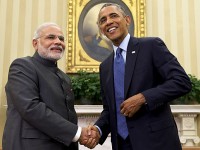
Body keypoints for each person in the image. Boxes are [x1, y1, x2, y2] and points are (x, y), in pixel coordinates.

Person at [88, 3, 192, 150]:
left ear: (127, 20)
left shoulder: (151, 46)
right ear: (102, 30)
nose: (109, 22)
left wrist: (143, 98)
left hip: (157, 142)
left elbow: (181, 82)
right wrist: (98, 130)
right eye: (103, 20)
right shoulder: (105, 67)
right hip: (122, 145)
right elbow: (110, 110)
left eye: (113, 16)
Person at [2, 22, 99, 150]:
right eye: (51, 37)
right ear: (35, 43)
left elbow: (69, 117)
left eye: (61, 39)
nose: (58, 41)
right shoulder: (23, 66)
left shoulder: (64, 77)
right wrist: (78, 133)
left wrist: (79, 137)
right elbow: (31, 108)